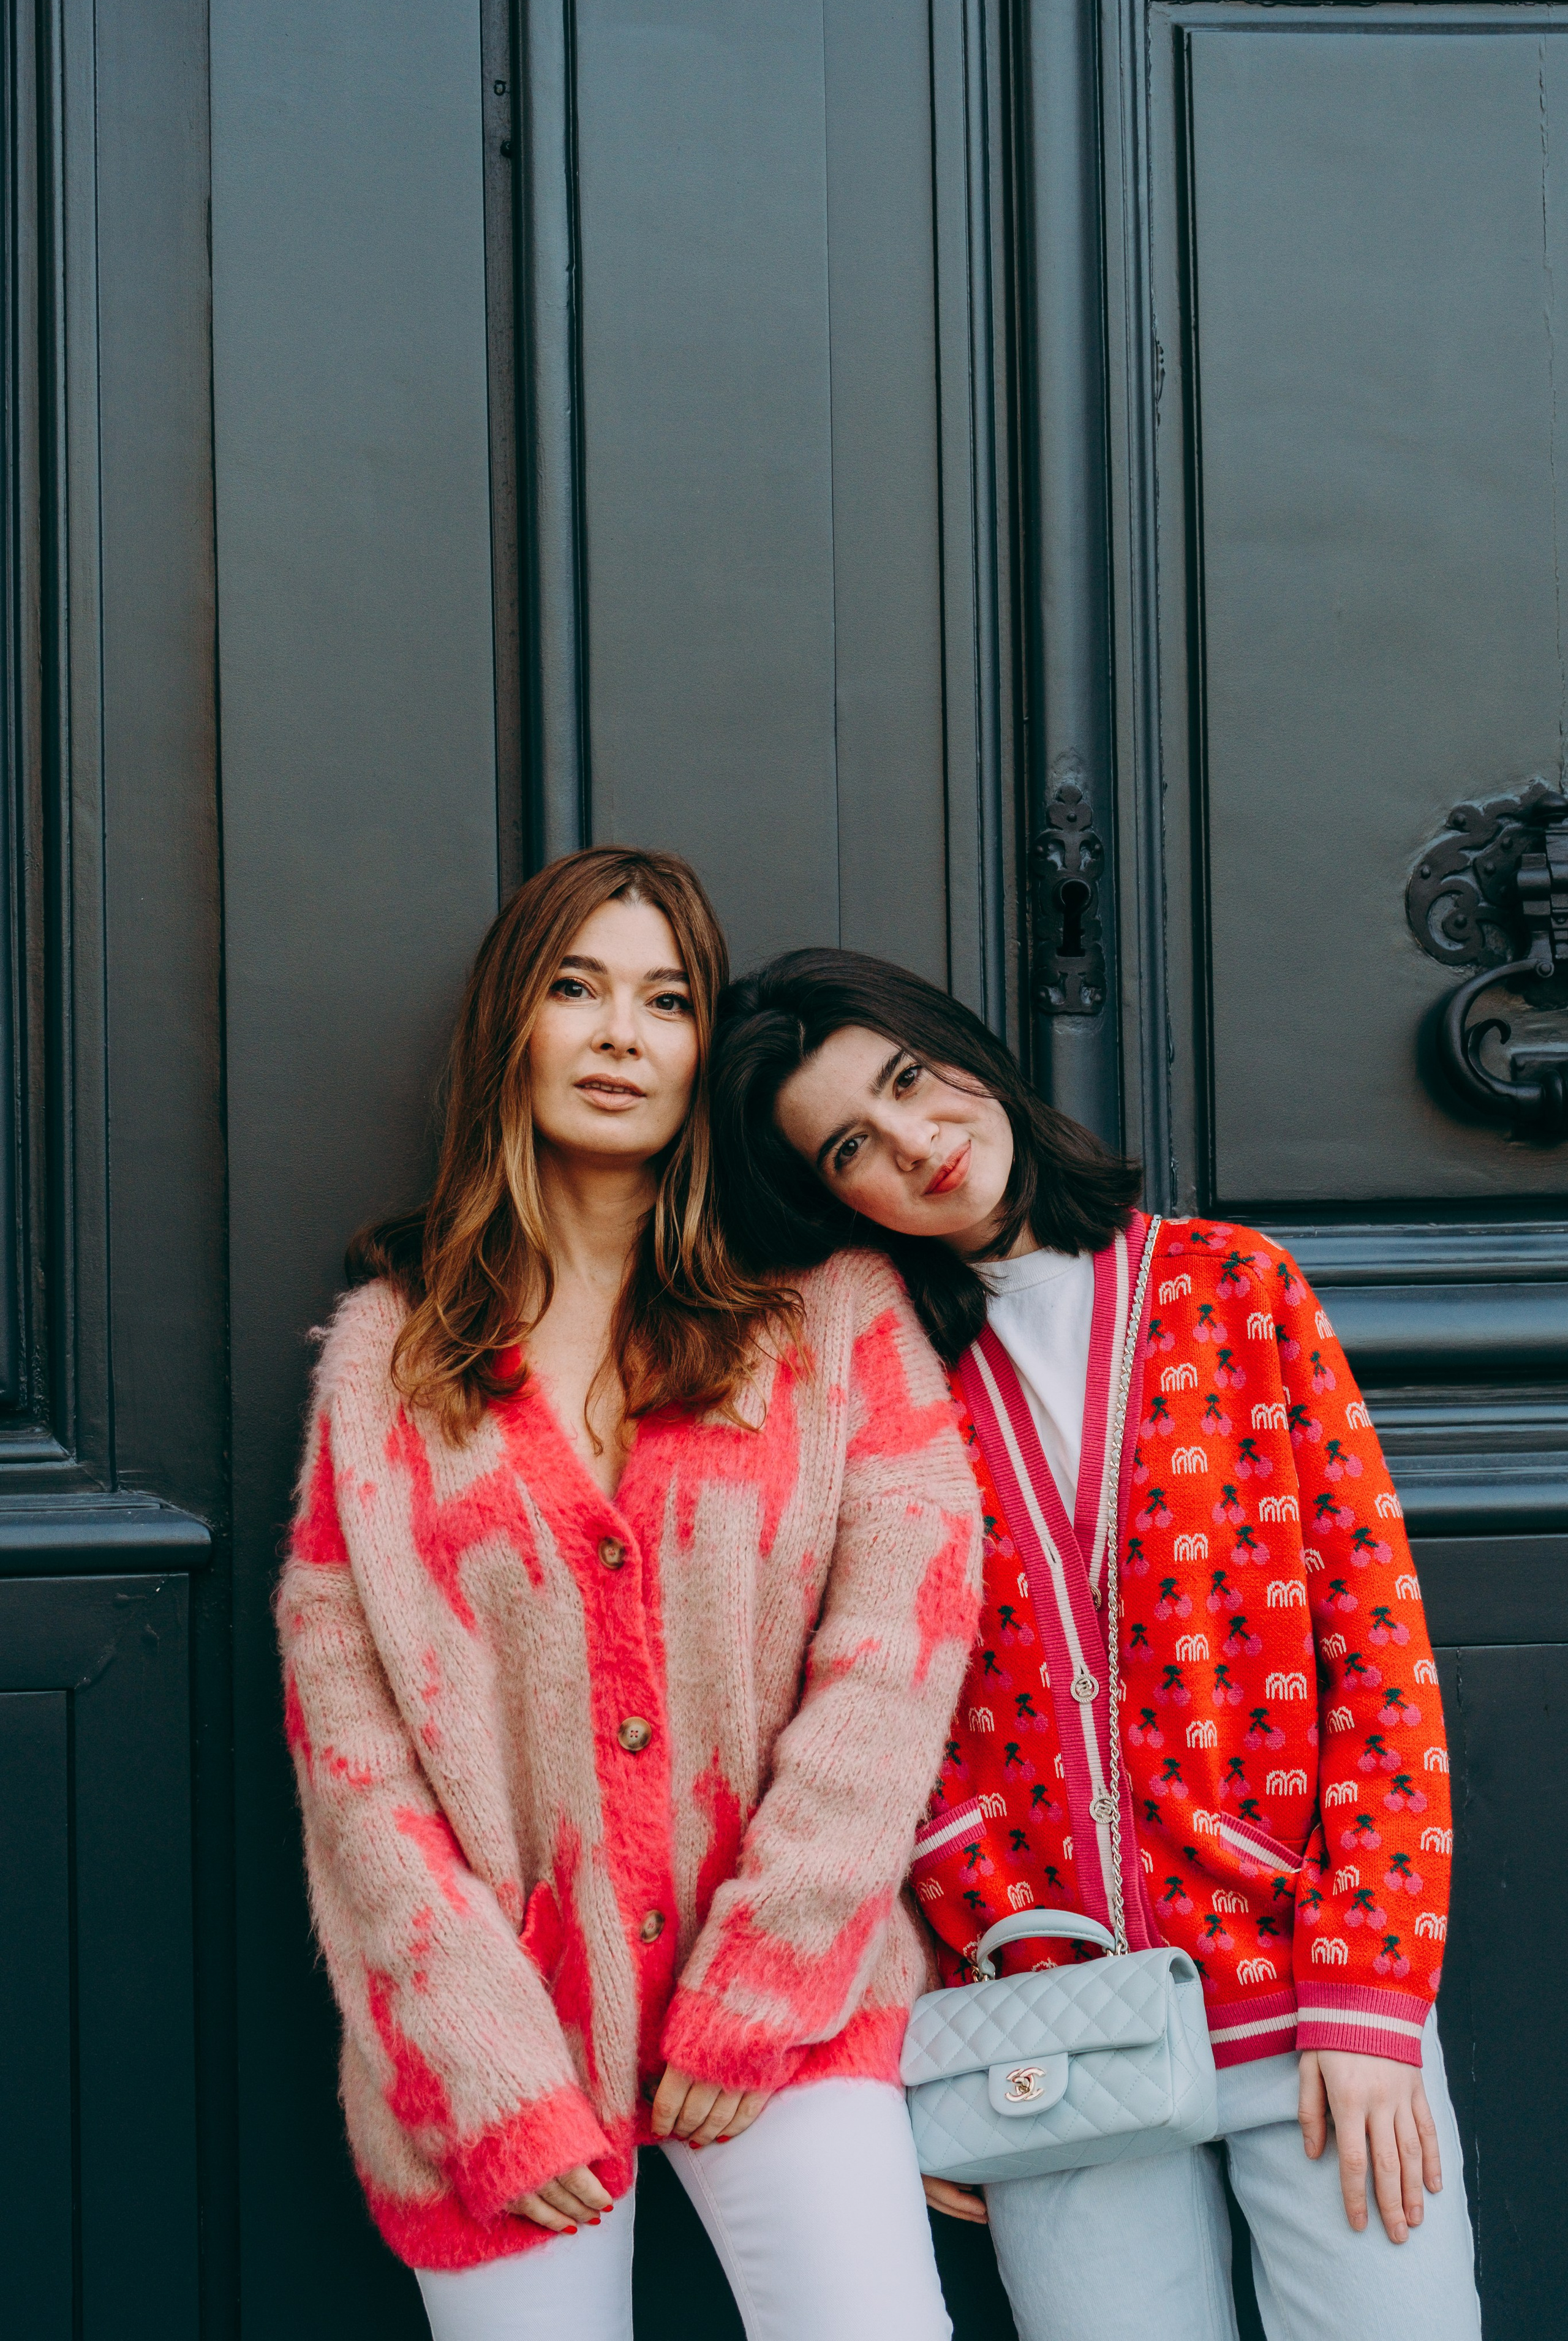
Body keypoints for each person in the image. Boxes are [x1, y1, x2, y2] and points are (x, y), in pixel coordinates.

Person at [710, 947, 1482, 2341]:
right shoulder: (871, 1382)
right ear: (826, 1195)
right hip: (1044, 2024)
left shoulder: (1234, 1292)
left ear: (959, 1048)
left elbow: (1379, 1656)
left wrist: (1369, 1997)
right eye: (850, 1146)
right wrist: (929, 2010)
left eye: (906, 1079)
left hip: (1302, 1988)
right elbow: (846, 1708)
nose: (915, 1144)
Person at [276, 856, 983, 2341]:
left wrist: (766, 1976)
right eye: (575, 990)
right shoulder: (387, 1360)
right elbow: (353, 1755)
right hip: (506, 2035)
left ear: (699, 1048)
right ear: (510, 1029)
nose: (619, 1035)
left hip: (789, 2005)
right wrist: (480, 2062)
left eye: (665, 1001)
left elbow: (892, 1668)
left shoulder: (834, 1317)